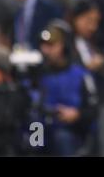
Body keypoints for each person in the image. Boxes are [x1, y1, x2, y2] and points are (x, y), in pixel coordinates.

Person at [38, 20, 98, 156]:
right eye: (43, 45)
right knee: (31, 140)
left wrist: (77, 114)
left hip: (72, 133)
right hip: (42, 130)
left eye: (51, 45)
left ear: (63, 46)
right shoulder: (38, 74)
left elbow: (93, 109)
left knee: (62, 138)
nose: (45, 50)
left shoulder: (81, 75)